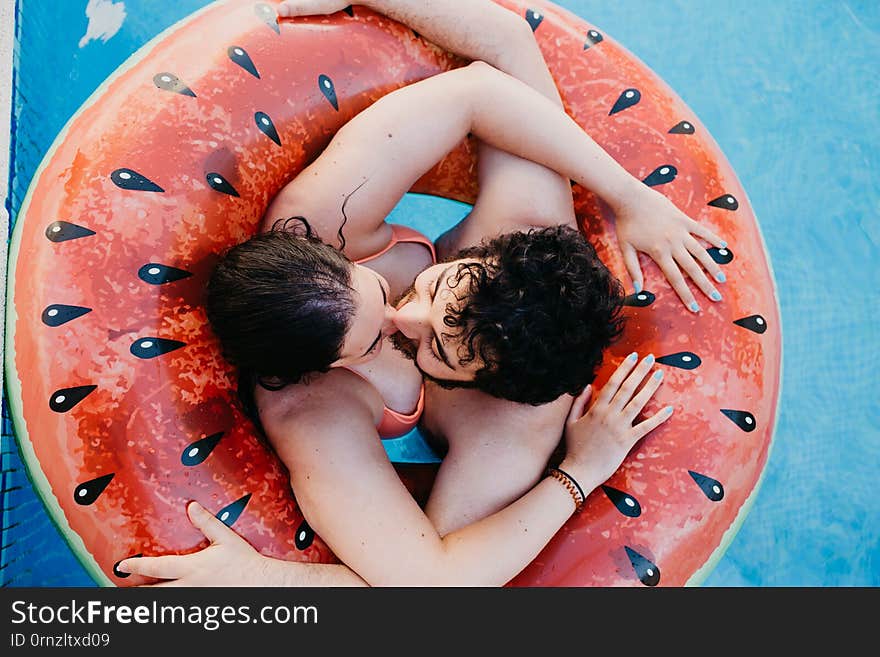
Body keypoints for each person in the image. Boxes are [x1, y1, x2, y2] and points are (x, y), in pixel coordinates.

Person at [119, 0, 725, 586]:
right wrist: (630, 196)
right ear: (483, 257)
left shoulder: (509, 436)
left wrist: (580, 471)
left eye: (438, 347)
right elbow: (500, 53)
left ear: (481, 383)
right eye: (438, 287)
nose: (404, 313)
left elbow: (430, 591)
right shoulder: (348, 233)